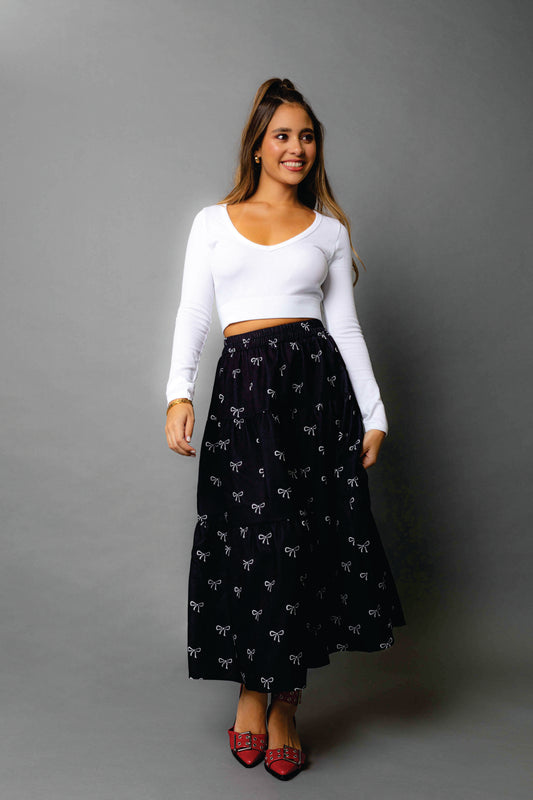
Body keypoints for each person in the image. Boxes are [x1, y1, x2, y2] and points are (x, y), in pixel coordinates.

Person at [164, 77, 406, 781]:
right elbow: (195, 313)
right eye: (282, 135)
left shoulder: (329, 231)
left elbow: (345, 329)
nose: (295, 147)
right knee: (251, 540)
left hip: (315, 397)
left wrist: (374, 412)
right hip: (244, 399)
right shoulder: (213, 221)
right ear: (258, 146)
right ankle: (250, 688)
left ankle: (286, 703)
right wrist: (177, 393)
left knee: (305, 544)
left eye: (306, 136)